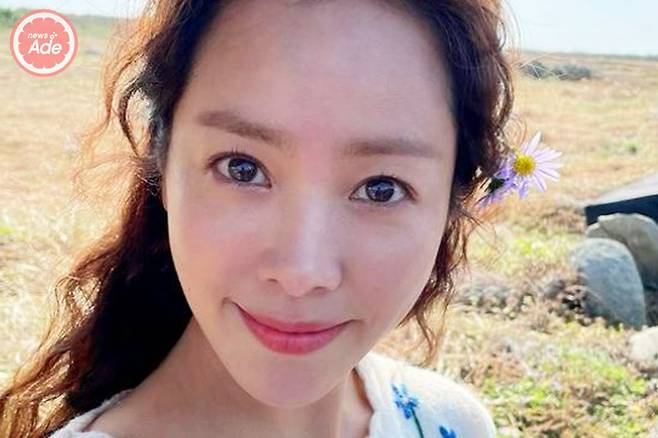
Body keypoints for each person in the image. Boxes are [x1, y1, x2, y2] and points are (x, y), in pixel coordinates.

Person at [0, 0, 518, 436]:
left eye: (380, 189)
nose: (301, 272)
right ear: (163, 158)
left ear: (452, 202)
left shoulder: (450, 422)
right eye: (241, 168)